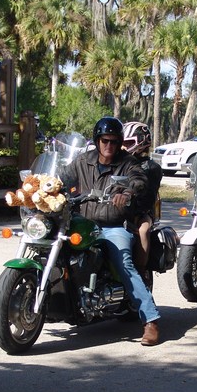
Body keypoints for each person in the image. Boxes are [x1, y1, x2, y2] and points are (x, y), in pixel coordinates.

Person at [61, 117, 162, 346]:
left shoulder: (127, 163)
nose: (109, 145)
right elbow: (63, 176)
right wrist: (43, 184)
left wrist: (127, 192)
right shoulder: (83, 160)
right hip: (83, 223)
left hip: (114, 225)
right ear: (97, 140)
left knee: (124, 263)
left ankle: (151, 320)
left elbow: (139, 180)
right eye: (105, 140)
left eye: (114, 141)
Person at [122, 121, 162, 273]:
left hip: (142, 212)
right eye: (122, 142)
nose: (123, 146)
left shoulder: (151, 167)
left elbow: (148, 197)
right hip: (117, 208)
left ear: (141, 142)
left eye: (127, 143)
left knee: (143, 230)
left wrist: (137, 212)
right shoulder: (118, 161)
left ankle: (141, 271)